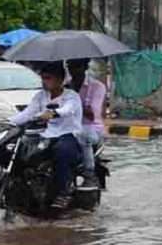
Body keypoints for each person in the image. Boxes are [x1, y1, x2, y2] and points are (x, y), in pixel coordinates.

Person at [9, 62, 85, 210]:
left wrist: (55, 113)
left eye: (48, 78)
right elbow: (28, 113)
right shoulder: (40, 96)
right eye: (43, 78)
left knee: (62, 152)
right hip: (46, 135)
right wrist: (8, 122)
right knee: (23, 150)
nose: (45, 81)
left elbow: (68, 109)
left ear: (60, 79)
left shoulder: (71, 96)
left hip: (68, 135)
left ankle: (63, 193)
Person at [67, 58, 106, 191]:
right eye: (70, 66)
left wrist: (75, 101)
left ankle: (89, 175)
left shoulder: (97, 87)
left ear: (85, 67)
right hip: (68, 127)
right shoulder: (64, 86)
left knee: (83, 135)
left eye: (76, 66)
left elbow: (92, 114)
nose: (72, 71)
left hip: (91, 128)